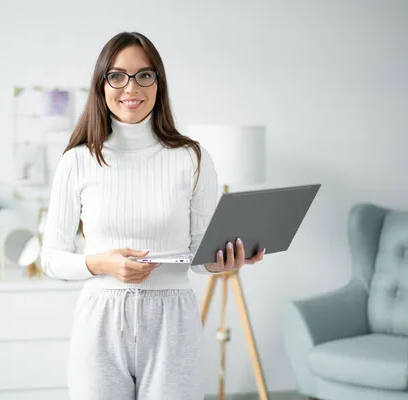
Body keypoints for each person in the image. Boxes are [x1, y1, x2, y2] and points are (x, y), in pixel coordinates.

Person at [40, 31, 265, 400]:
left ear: (159, 82)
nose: (131, 87)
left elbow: (198, 257)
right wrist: (103, 264)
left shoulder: (192, 158)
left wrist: (225, 261)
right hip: (100, 321)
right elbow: (50, 258)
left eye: (145, 75)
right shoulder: (77, 160)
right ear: (101, 84)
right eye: (117, 76)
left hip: (173, 319)